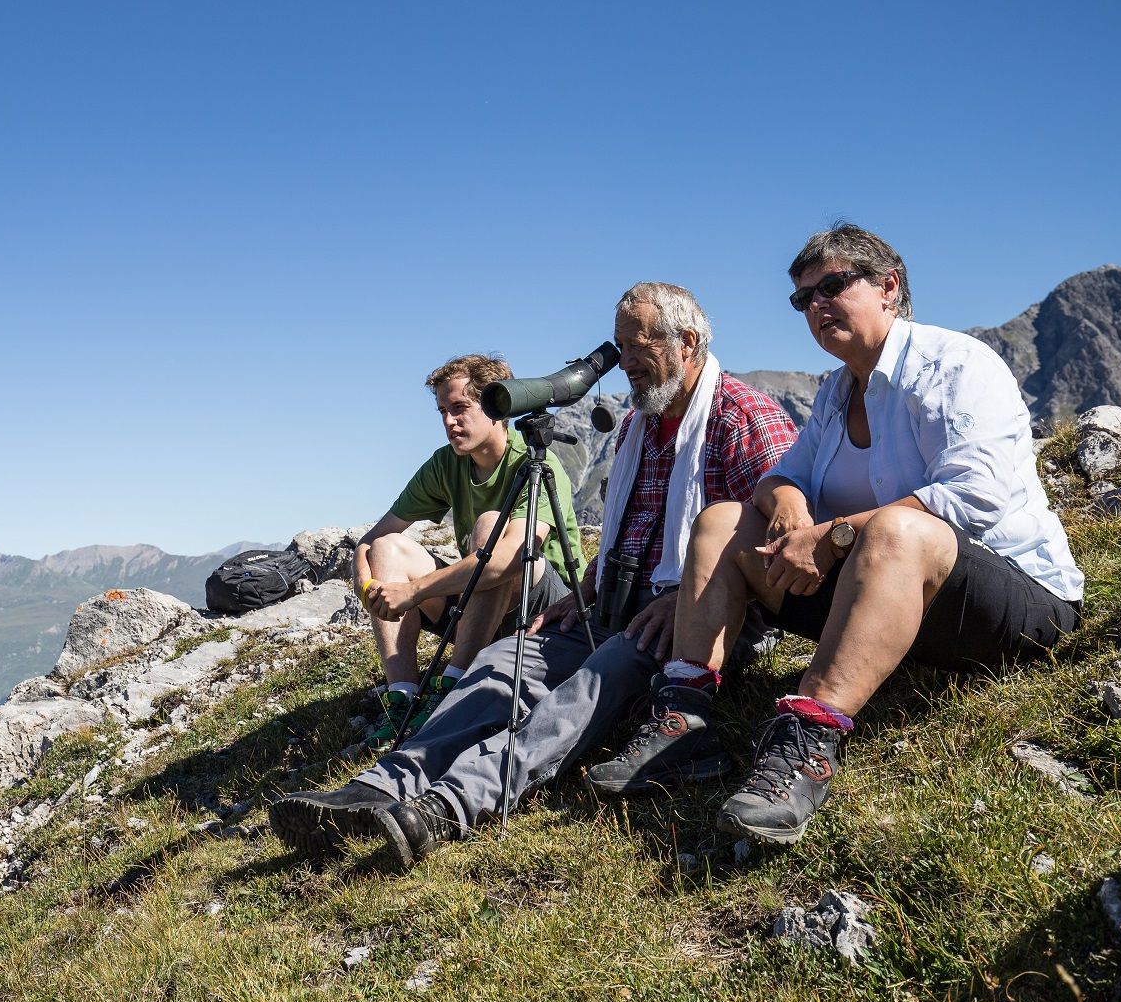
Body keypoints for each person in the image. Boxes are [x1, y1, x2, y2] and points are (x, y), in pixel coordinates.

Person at [271, 284, 798, 866]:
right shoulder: (637, 430)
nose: (623, 362)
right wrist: (588, 588)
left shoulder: (744, 417)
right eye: (618, 346)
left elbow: (784, 537)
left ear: (686, 343)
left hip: (697, 617)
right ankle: (382, 785)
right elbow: (630, 530)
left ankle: (449, 804)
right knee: (504, 663)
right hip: (615, 599)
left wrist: (684, 602)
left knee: (592, 683)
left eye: (635, 346)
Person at [601, 223, 1083, 846]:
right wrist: (793, 510)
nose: (817, 307)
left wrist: (830, 538)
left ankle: (807, 745)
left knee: (898, 529)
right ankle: (685, 722)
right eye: (804, 299)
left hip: (1015, 605)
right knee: (723, 522)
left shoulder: (956, 364)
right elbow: (777, 478)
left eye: (832, 286)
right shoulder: (835, 392)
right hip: (892, 597)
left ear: (889, 287)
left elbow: (973, 498)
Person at [351, 354, 580, 746]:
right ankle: (403, 697)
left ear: (497, 406)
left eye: (459, 408)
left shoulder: (535, 461)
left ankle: (453, 687)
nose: (448, 422)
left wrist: (414, 591)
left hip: (546, 611)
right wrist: (364, 578)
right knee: (388, 548)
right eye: (442, 410)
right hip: (481, 609)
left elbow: (508, 559)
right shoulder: (447, 464)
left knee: (492, 528)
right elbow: (372, 539)